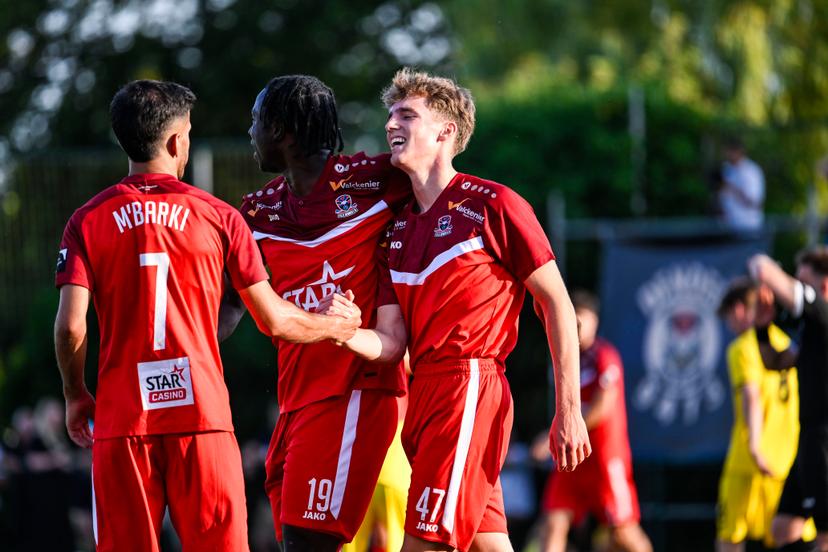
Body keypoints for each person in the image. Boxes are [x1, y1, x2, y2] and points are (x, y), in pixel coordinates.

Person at [53, 79, 361, 552]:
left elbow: (72, 325)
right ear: (178, 141)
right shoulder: (219, 217)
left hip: (123, 422)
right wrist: (338, 326)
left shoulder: (87, 220)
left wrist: (76, 395)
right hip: (202, 418)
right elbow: (274, 320)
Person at [334, 67, 590, 552]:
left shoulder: (494, 204)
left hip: (469, 388)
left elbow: (556, 300)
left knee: (423, 544)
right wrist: (340, 329)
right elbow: (391, 344)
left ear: (446, 131)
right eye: (390, 114)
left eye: (407, 115)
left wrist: (568, 409)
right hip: (424, 394)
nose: (392, 124)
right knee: (488, 545)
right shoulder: (395, 232)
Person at [222, 75, 411, 551]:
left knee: (311, 544)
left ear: (283, 130)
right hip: (295, 401)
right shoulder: (258, 213)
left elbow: (439, 183)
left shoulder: (378, 180)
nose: (250, 132)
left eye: (255, 121)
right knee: (295, 542)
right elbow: (223, 314)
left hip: (354, 391)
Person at [532, 290, 651, 552]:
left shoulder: (604, 357)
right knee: (553, 523)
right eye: (572, 317)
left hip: (604, 458)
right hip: (572, 459)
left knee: (623, 532)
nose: (577, 325)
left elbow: (603, 406)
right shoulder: (563, 359)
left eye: (583, 318)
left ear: (595, 321)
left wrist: (568, 427)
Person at [714, 278, 815, 551]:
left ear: (737, 310)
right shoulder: (786, 343)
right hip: (787, 459)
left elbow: (751, 395)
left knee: (730, 536)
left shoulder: (742, 347)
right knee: (790, 537)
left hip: (749, 460)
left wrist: (755, 446)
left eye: (727, 318)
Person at [749, 248, 828, 552]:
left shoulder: (822, 314)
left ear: (823, 286)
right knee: (783, 529)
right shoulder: (812, 329)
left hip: (823, 440)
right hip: (808, 439)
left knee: (823, 536)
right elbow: (776, 362)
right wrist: (761, 327)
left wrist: (763, 265)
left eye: (805, 281)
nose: (800, 285)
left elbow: (774, 279)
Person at [718, 138, 765, 232]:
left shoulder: (751, 171)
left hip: (748, 227)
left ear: (739, 151)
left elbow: (755, 203)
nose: (727, 155)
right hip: (729, 227)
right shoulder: (728, 169)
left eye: (730, 152)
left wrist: (732, 189)